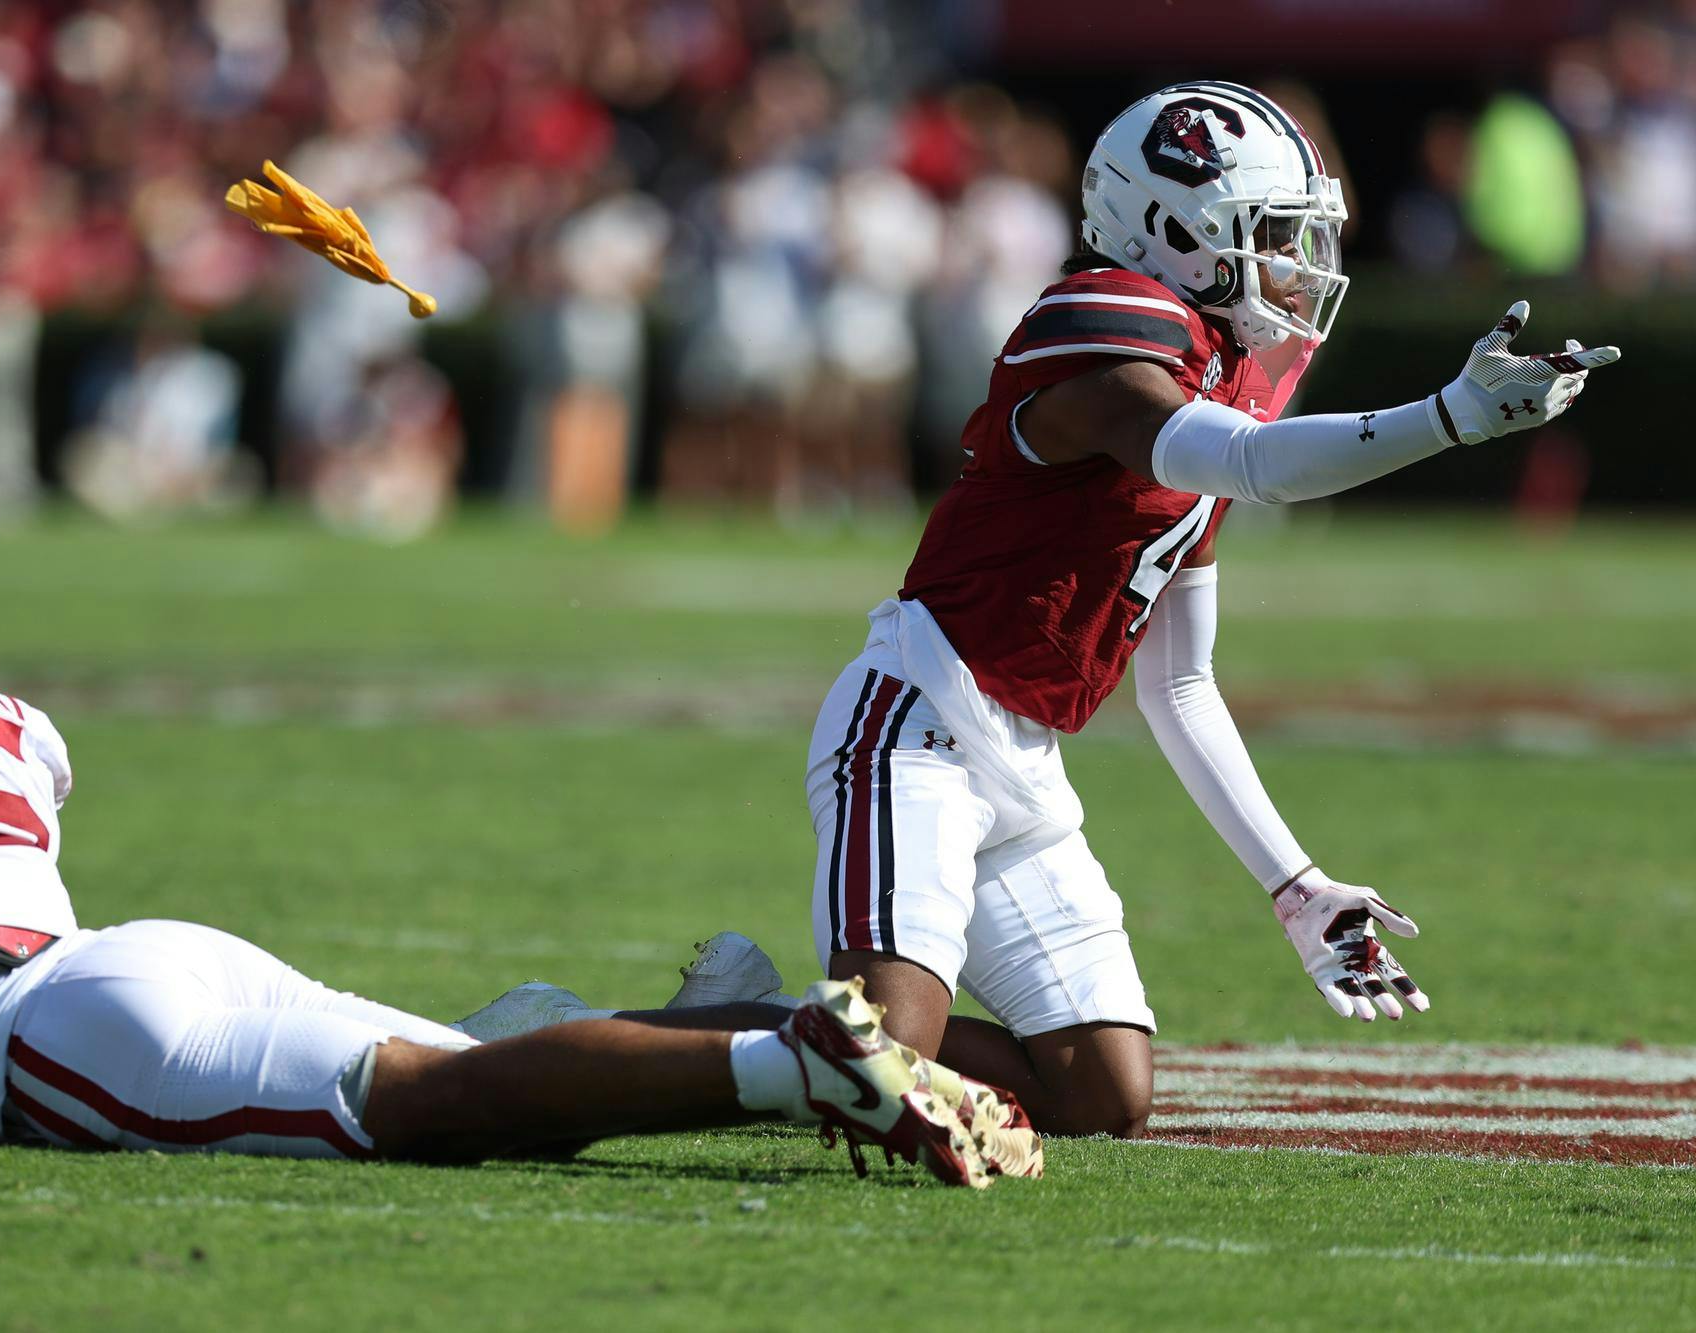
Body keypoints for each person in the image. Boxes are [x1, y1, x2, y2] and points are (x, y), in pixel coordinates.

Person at [466, 82, 1622, 1139]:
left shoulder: (1212, 371)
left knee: (1099, 1093)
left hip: (1022, 760)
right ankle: (539, 1041)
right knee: (882, 1055)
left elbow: (1178, 681)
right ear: (1173, 228)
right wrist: (1447, 417)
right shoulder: (1100, 315)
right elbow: (1253, 463)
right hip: (913, 726)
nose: (1296, 258)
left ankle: (754, 1016)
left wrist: (1293, 883)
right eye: (1271, 232)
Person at [0, 508, 1038, 1187]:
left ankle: (790, 1062)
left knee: (431, 1111)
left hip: (61, 1033)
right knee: (485, 1081)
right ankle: (728, 1025)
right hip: (124, 968)